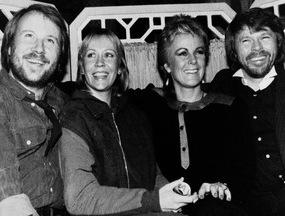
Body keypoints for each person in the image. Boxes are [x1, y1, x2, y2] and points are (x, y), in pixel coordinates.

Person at [58, 28, 199, 216]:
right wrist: (154, 201)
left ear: (120, 67)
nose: (100, 63)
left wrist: (174, 194)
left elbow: (153, 174)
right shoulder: (74, 116)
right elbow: (80, 199)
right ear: (82, 67)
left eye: (109, 55)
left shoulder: (135, 115)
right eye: (91, 55)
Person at [128, 14, 253, 215]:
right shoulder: (149, 105)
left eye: (199, 52)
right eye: (182, 53)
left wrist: (220, 187)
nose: (193, 60)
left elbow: (245, 176)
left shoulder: (230, 107)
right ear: (167, 65)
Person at [206, 7, 285, 216]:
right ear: (233, 50)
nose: (256, 48)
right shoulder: (222, 86)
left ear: (278, 42)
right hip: (242, 201)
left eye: (264, 37)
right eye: (246, 41)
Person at [0, 4, 69, 216]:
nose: (39, 49)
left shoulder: (62, 100)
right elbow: (6, 193)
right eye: (29, 35)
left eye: (50, 40)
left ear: (59, 59)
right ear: (9, 47)